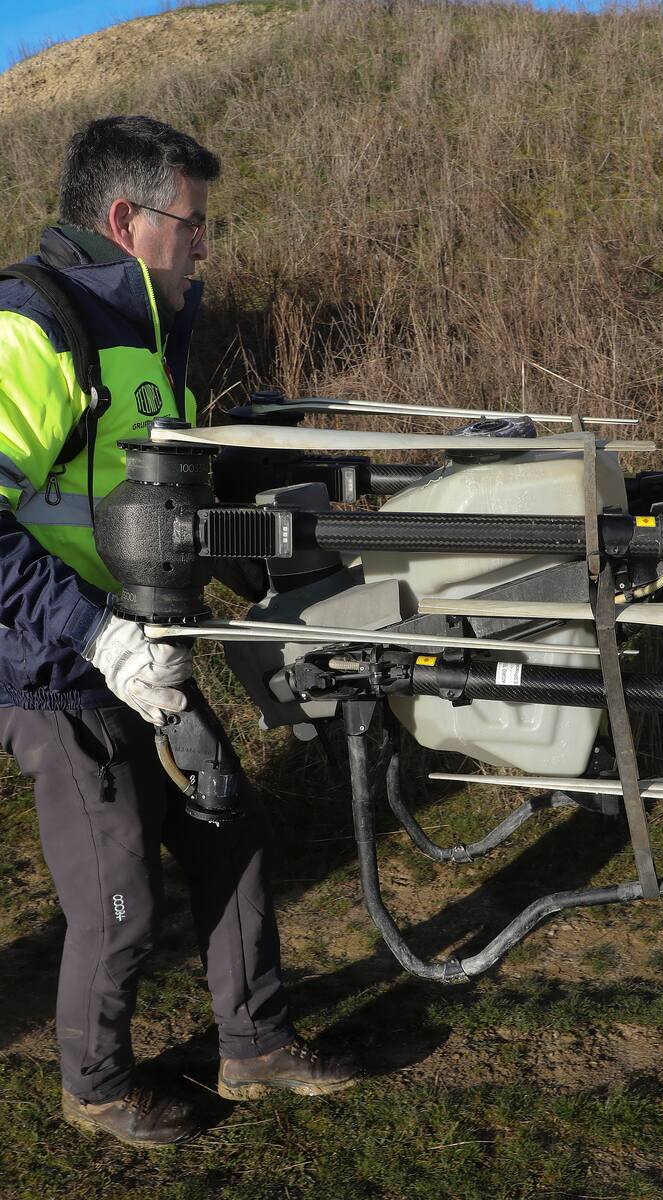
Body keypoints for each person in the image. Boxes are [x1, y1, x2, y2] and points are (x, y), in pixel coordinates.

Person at [0, 116, 357, 1149]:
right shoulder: (33, 327)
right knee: (119, 889)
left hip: (142, 654)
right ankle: (97, 1085)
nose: (207, 243)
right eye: (193, 223)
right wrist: (97, 639)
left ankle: (256, 1046)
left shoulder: (151, 333)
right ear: (126, 218)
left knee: (227, 826)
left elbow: (159, 493)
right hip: (52, 666)